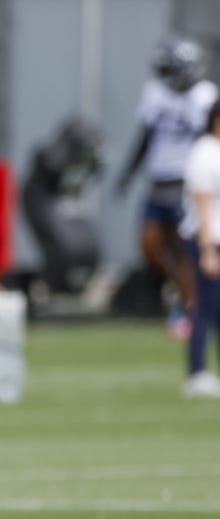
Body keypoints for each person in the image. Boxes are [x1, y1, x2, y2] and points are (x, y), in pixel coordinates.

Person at [116, 36, 218, 340]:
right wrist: (128, 174)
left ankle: (192, 307)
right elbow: (145, 136)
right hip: (158, 179)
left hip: (188, 181)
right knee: (150, 244)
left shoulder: (205, 95)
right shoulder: (155, 92)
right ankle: (186, 297)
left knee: (185, 249)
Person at [178, 98, 220, 397]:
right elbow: (201, 202)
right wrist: (207, 249)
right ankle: (197, 372)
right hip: (208, 240)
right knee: (203, 306)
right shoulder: (204, 152)